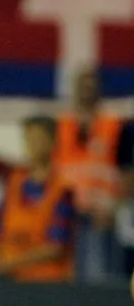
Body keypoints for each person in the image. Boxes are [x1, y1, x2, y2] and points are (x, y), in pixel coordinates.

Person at [0, 115, 75, 283]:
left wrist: (9, 265)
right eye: (28, 139)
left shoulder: (62, 189)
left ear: (53, 142)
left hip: (47, 283)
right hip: (9, 281)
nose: (32, 145)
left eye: (38, 138)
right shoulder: (13, 182)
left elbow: (56, 246)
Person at [56, 67, 123, 284]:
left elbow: (124, 170)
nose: (87, 90)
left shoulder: (113, 125)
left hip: (101, 212)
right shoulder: (63, 125)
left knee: (98, 272)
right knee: (67, 270)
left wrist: (114, 206)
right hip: (66, 211)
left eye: (92, 85)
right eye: (83, 85)